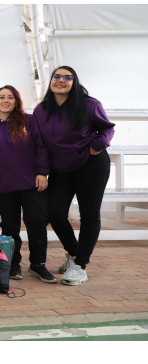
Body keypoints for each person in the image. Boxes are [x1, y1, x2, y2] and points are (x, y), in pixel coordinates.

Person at [33, 66, 115, 286]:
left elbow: (107, 129)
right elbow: (39, 143)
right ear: (50, 82)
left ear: (74, 82)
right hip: (61, 168)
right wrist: (42, 170)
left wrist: (96, 146)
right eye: (56, 77)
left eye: (67, 78)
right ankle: (74, 253)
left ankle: (80, 266)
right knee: (54, 212)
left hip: (91, 165)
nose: (61, 80)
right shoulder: (41, 110)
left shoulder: (89, 104)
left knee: (89, 215)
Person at [0, 85, 56, 283]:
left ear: (16, 101)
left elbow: (41, 147)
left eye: (10, 97)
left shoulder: (29, 120)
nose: (6, 100)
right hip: (3, 186)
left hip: (32, 183)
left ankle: (38, 265)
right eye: (2, 97)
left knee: (37, 223)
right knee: (10, 226)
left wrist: (42, 173)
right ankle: (13, 264)